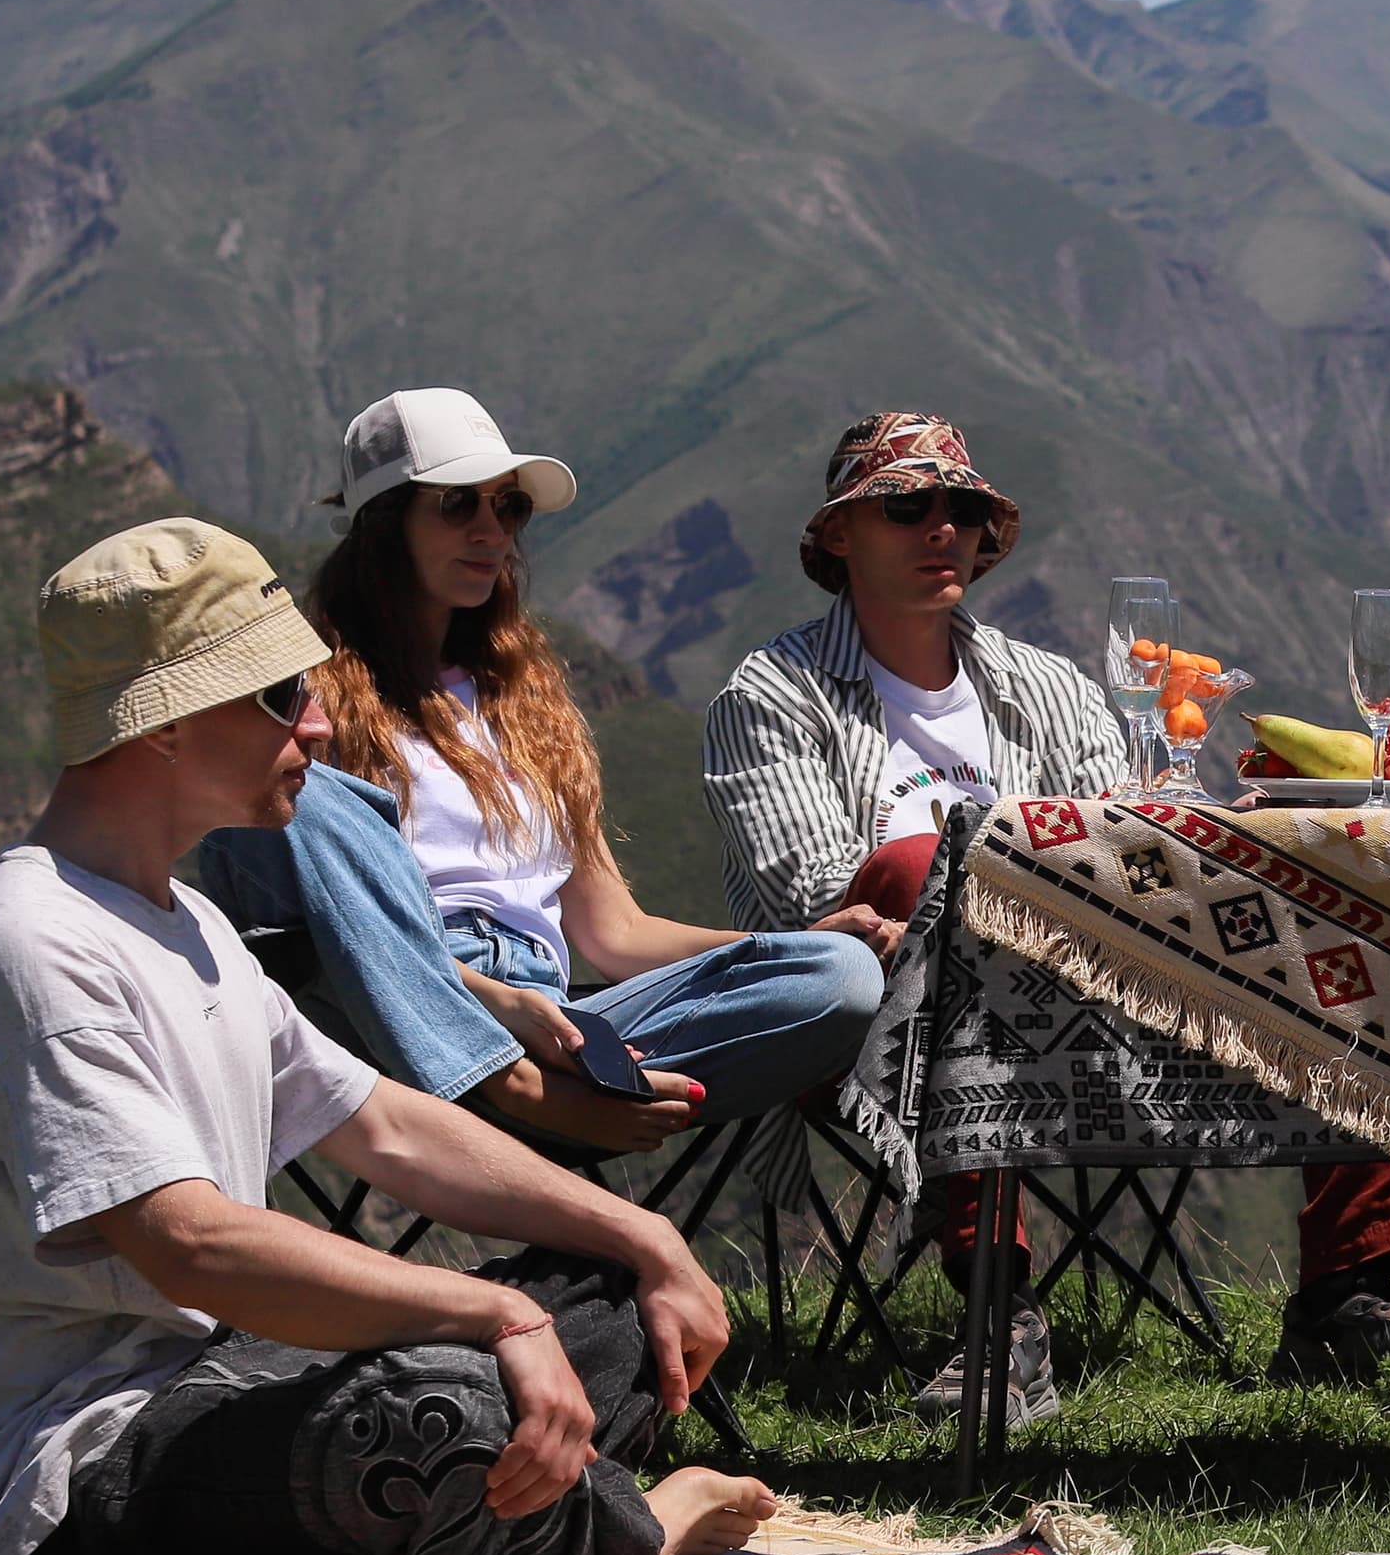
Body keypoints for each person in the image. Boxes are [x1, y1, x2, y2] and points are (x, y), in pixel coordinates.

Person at [0, 518, 777, 1555]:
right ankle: (637, 1527)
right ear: (165, 722)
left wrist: (643, 1236)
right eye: (278, 697)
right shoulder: (35, 942)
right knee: (439, 1417)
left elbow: (386, 1127)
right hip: (86, 1470)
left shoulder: (191, 926)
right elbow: (192, 1244)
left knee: (604, 1295)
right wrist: (492, 1318)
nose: (317, 723)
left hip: (230, 1384)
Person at [703, 412, 1390, 1430]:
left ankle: (1354, 1284)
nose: (942, 528)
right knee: (921, 873)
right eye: (908, 505)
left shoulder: (1050, 688)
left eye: (963, 509)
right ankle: (997, 1317)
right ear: (840, 534)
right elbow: (817, 899)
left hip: (1091, 992)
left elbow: (1140, 859)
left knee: (1347, 882)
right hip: (871, 1020)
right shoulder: (772, 697)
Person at [183, 388, 884, 1161]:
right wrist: (490, 1000)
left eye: (508, 507)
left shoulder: (523, 702)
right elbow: (321, 929)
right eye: (458, 506)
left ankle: (571, 1089)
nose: (491, 532)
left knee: (841, 974)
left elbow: (614, 934)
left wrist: (780, 943)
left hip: (555, 1016)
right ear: (384, 527)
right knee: (296, 794)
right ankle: (526, 1091)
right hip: (400, 1017)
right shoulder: (313, 702)